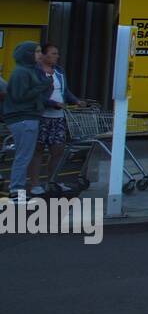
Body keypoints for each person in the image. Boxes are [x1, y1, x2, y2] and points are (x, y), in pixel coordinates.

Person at [2, 41, 53, 198]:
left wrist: (45, 84)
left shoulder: (29, 71)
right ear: (28, 54)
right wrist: (42, 86)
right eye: (36, 52)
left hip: (26, 116)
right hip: (23, 117)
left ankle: (17, 188)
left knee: (24, 154)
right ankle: (16, 189)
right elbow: (20, 96)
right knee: (24, 155)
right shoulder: (22, 72)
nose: (40, 54)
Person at [33, 43, 84, 196]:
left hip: (58, 117)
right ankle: (35, 184)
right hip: (42, 116)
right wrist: (52, 103)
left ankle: (53, 181)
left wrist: (75, 100)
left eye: (57, 53)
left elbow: (65, 91)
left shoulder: (59, 72)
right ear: (44, 55)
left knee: (58, 150)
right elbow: (36, 94)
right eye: (53, 53)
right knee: (38, 150)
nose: (57, 56)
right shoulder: (36, 72)